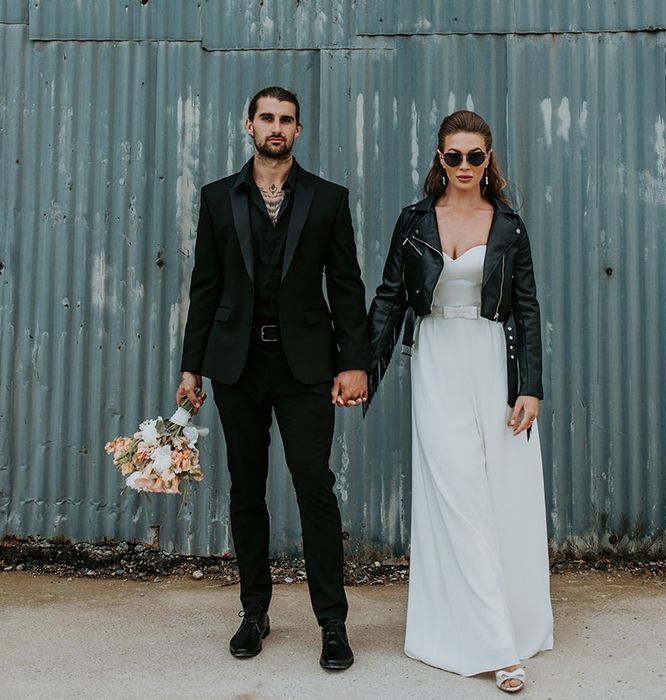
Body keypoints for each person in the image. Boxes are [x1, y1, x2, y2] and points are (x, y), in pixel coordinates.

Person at [176, 86, 369, 670]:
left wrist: (353, 359)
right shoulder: (217, 198)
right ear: (248, 125)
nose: (276, 127)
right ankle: (254, 611)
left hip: (305, 366)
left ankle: (332, 624)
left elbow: (347, 284)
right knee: (246, 489)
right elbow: (205, 287)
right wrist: (191, 367)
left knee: (315, 486)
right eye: (267, 118)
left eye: (286, 119)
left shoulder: (328, 199)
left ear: (299, 130)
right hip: (237, 365)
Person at [366, 110, 553, 693]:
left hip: (495, 362)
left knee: (503, 495)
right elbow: (390, 298)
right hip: (438, 361)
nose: (466, 166)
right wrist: (360, 371)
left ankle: (510, 625)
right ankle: (494, 646)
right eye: (455, 156)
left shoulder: (509, 226)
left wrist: (530, 386)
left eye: (476, 157)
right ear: (439, 159)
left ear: (488, 159)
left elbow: (527, 308)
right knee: (456, 494)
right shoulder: (414, 221)